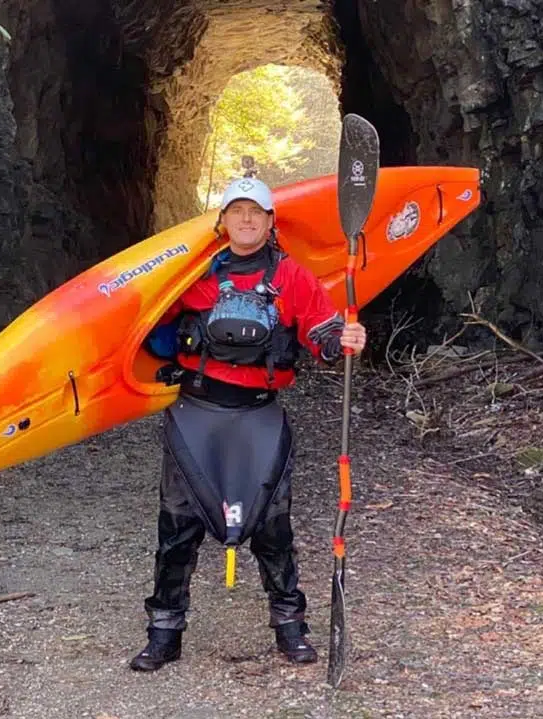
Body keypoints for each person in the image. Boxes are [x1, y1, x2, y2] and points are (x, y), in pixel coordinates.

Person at [130, 177, 367, 672]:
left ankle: (290, 628)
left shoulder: (291, 278)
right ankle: (164, 634)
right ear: (223, 221)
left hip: (259, 414)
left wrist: (344, 340)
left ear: (269, 222)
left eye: (255, 213)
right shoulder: (192, 275)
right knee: (178, 528)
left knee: (272, 526)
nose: (246, 220)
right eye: (237, 211)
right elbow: (142, 320)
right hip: (195, 414)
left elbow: (321, 335)